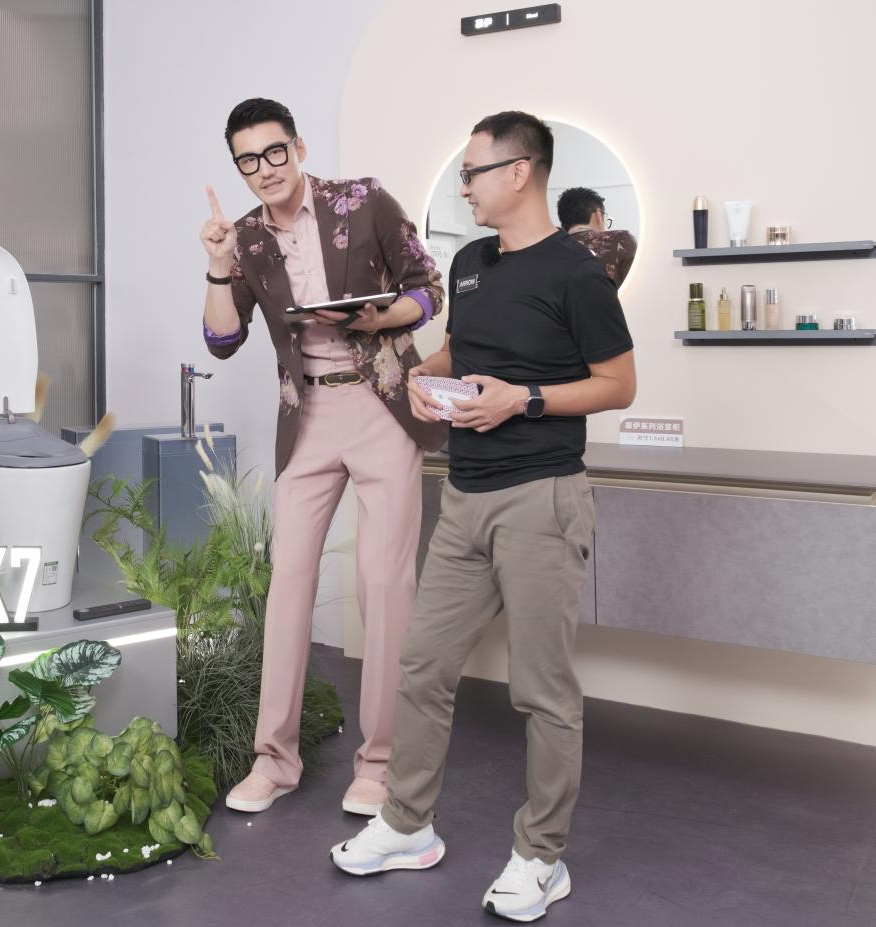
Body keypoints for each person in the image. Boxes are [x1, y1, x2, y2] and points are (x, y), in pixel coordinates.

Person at [331, 111, 636, 923]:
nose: (462, 186)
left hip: (541, 498)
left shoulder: (576, 273)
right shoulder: (469, 263)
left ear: (519, 171)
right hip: (463, 496)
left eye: (472, 172)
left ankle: (541, 857)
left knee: (541, 690)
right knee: (422, 664)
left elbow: (617, 383)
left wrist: (523, 399)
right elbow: (458, 352)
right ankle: (406, 824)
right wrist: (422, 375)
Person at [200, 98, 445, 818]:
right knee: (288, 583)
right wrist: (217, 266)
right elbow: (222, 341)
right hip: (305, 416)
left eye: (274, 152)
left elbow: (427, 289)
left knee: (383, 584)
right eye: (248, 160)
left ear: (298, 148)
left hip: (379, 407)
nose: (264, 169)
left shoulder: (362, 202)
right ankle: (273, 760)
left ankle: (381, 763)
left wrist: (378, 315)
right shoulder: (245, 238)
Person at [557, 185, 637, 288]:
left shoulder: (551, 248)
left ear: (563, 223)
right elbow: (638, 288)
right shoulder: (620, 240)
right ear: (599, 215)